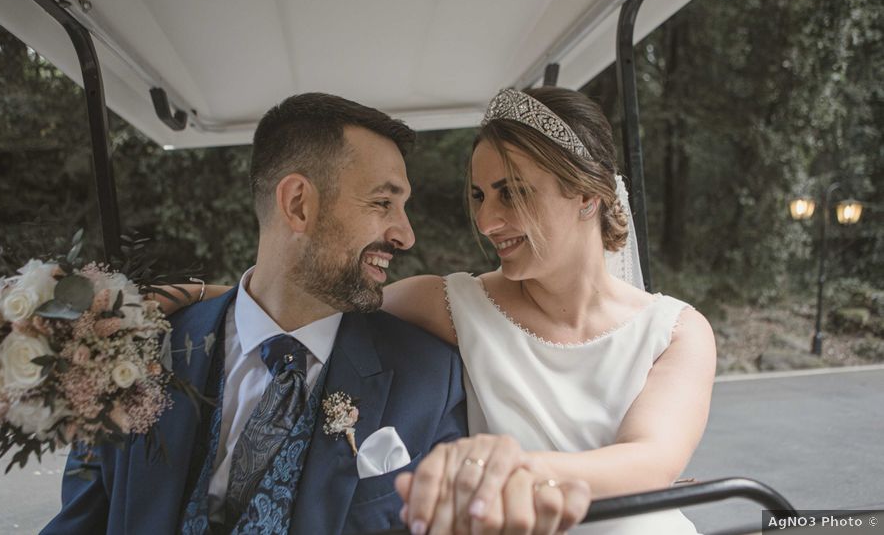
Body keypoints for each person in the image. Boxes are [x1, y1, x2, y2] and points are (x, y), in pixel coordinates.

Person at [165, 87, 715, 534]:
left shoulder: (676, 331)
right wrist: (194, 295)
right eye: (479, 196)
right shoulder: (452, 304)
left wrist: (503, 473)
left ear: (588, 196)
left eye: (512, 193)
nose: (488, 220)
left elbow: (650, 460)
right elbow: (313, 292)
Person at [42, 93, 587, 535]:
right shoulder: (133, 354)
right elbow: (80, 522)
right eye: (382, 203)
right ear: (299, 204)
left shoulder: (431, 379)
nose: (405, 233)